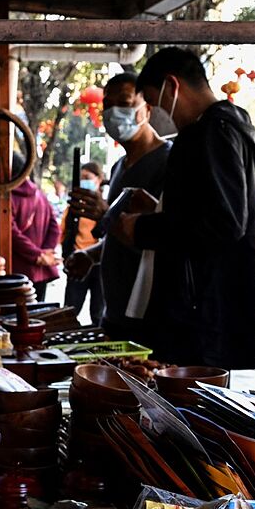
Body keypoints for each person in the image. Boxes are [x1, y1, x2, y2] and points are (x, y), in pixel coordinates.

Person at [111, 48, 255, 369]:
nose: (159, 111)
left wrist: (143, 229)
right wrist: (157, 211)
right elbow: (206, 210)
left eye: (156, 100)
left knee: (188, 410)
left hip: (201, 314)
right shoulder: (228, 129)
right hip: (206, 313)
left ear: (172, 86)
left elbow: (224, 222)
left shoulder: (211, 133)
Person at [65, 72, 171, 342]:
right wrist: (91, 255)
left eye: (123, 102)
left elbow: (159, 238)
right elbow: (118, 235)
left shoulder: (169, 163)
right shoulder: (118, 167)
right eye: (108, 105)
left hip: (150, 313)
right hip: (115, 311)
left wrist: (106, 214)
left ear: (146, 108)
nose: (113, 113)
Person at [9, 153, 61, 300]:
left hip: (17, 270)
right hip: (40, 270)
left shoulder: (8, 198)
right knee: (39, 314)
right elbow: (54, 227)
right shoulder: (39, 194)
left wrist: (38, 255)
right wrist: (45, 253)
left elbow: (12, 233)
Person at [61, 162, 106, 320]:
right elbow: (64, 232)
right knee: (70, 310)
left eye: (87, 177)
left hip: (100, 266)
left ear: (99, 179)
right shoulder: (74, 209)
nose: (83, 181)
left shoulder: (106, 206)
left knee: (98, 312)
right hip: (78, 260)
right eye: (81, 178)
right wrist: (67, 255)